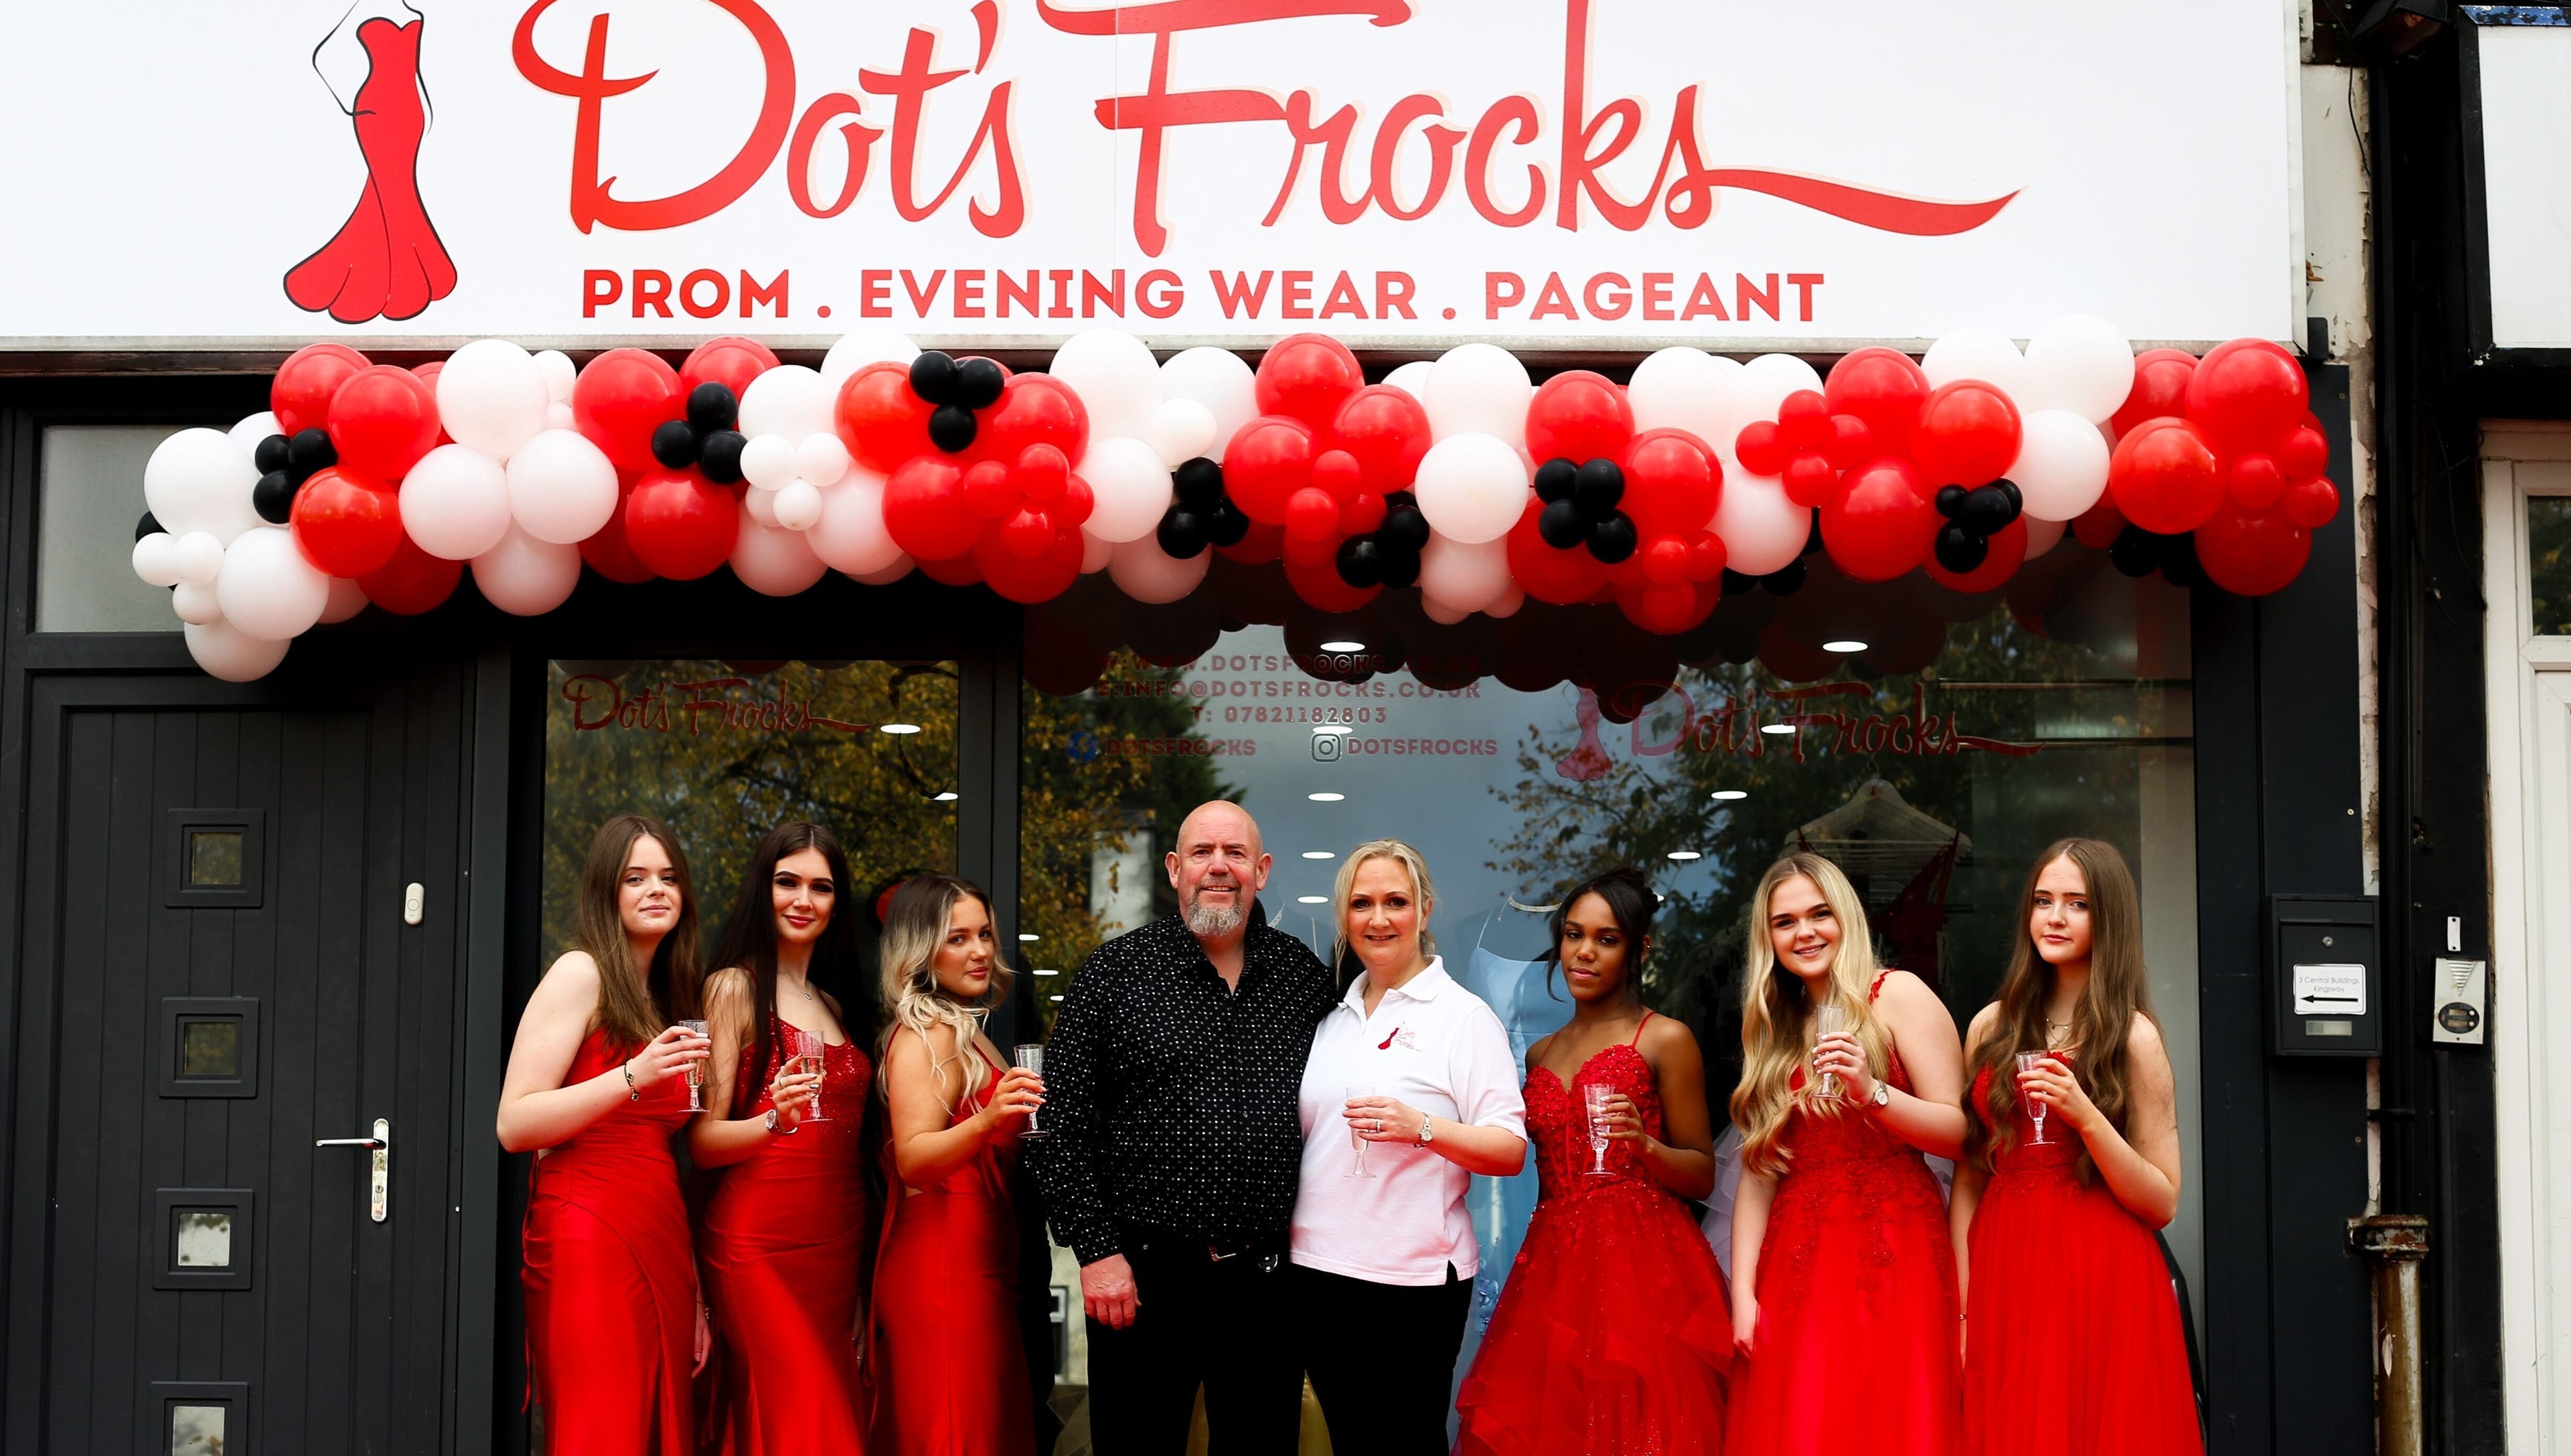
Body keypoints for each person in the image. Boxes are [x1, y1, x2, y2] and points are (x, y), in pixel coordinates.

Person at [1028, 800, 1335, 1455]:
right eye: (1201, 853)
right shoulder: (1115, 975)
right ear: (1173, 869)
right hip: (1141, 1279)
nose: (1218, 867)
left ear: (1263, 870)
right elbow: (1058, 1123)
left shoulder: (1303, 980)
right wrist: (1096, 1251)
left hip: (1265, 1283)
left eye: (1234, 854)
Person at [1454, 865, 1731, 1456]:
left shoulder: (1664, 1038)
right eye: (1574, 934)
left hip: (1644, 1265)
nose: (1584, 952)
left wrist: (1647, 1146)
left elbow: (1703, 1172)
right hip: (1552, 1262)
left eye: (1606, 939)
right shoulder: (1538, 1050)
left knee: (1641, 1422)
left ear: (1640, 948)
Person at [1952, 839, 2201, 1455]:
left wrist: (2086, 1115)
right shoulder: (1990, 1026)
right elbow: (1968, 1178)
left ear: (2108, 918)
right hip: (2005, 1265)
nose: (2054, 917)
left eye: (2077, 903)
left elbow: (2163, 1199)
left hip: (2102, 1271)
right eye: (2043, 900)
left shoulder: (2133, 1036)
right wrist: (1961, 1307)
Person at [1724, 852, 1967, 1456]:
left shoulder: (1898, 994)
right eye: (1785, 922)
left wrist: (1873, 1093)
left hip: (1895, 1247)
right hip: (1798, 1262)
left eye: (1819, 913)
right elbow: (1759, 1173)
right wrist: (1744, 1296)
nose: (1804, 932)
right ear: (1768, 937)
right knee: (1807, 1424)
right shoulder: (1777, 1026)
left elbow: (1962, 1134)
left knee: (1892, 1419)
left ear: (1846, 919)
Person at [1292, 841, 1527, 1455]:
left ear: (1424, 910)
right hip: (1318, 1270)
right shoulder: (1332, 1017)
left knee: (1404, 1443)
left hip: (1414, 1279)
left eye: (1396, 901)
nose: (1378, 918)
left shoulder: (1464, 1017)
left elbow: (1509, 1148)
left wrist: (1420, 1125)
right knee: (1350, 1441)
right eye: (1362, 903)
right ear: (1345, 916)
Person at [498, 814, 711, 1456]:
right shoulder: (580, 973)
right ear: (606, 892)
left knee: (658, 1422)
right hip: (587, 1229)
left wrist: (697, 1287)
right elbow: (515, 1123)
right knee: (603, 1424)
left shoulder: (670, 995)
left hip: (661, 1232)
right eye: (635, 877)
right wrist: (632, 1075)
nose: (656, 889)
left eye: (669, 877)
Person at [689, 823, 866, 1455]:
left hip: (836, 1247)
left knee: (807, 1420)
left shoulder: (834, 1006)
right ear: (761, 890)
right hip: (756, 1245)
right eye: (787, 881)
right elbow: (701, 1140)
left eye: (821, 887)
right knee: (813, 1425)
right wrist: (772, 1120)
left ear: (835, 905)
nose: (803, 899)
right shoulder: (734, 987)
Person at [872, 874, 1043, 1456]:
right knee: (954, 1433)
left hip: (983, 1259)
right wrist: (991, 1118)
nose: (979, 951)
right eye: (957, 938)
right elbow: (915, 1156)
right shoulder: (927, 1031)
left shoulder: (971, 1031)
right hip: (943, 1263)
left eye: (986, 935)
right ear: (922, 949)